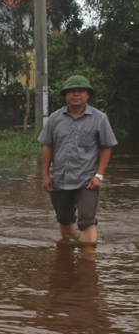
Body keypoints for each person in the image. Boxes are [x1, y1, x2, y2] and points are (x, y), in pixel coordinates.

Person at [38, 75, 118, 243]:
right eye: (71, 91)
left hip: (87, 181)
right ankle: (67, 255)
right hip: (59, 179)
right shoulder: (55, 118)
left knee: (87, 220)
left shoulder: (99, 118)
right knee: (64, 219)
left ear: (88, 95)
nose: (76, 94)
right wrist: (45, 175)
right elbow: (47, 147)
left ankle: (88, 261)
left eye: (80, 91)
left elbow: (106, 147)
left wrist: (99, 175)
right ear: (65, 95)